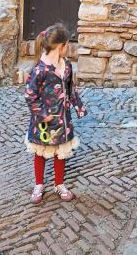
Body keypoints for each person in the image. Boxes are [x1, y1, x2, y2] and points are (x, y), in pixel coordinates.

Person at [24, 23, 87, 203]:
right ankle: (39, 185)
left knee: (61, 152)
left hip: (63, 120)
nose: (68, 48)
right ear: (60, 46)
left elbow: (70, 88)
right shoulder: (39, 70)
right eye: (67, 45)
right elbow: (30, 95)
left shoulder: (66, 66)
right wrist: (42, 113)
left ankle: (59, 184)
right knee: (40, 152)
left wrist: (78, 106)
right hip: (43, 122)